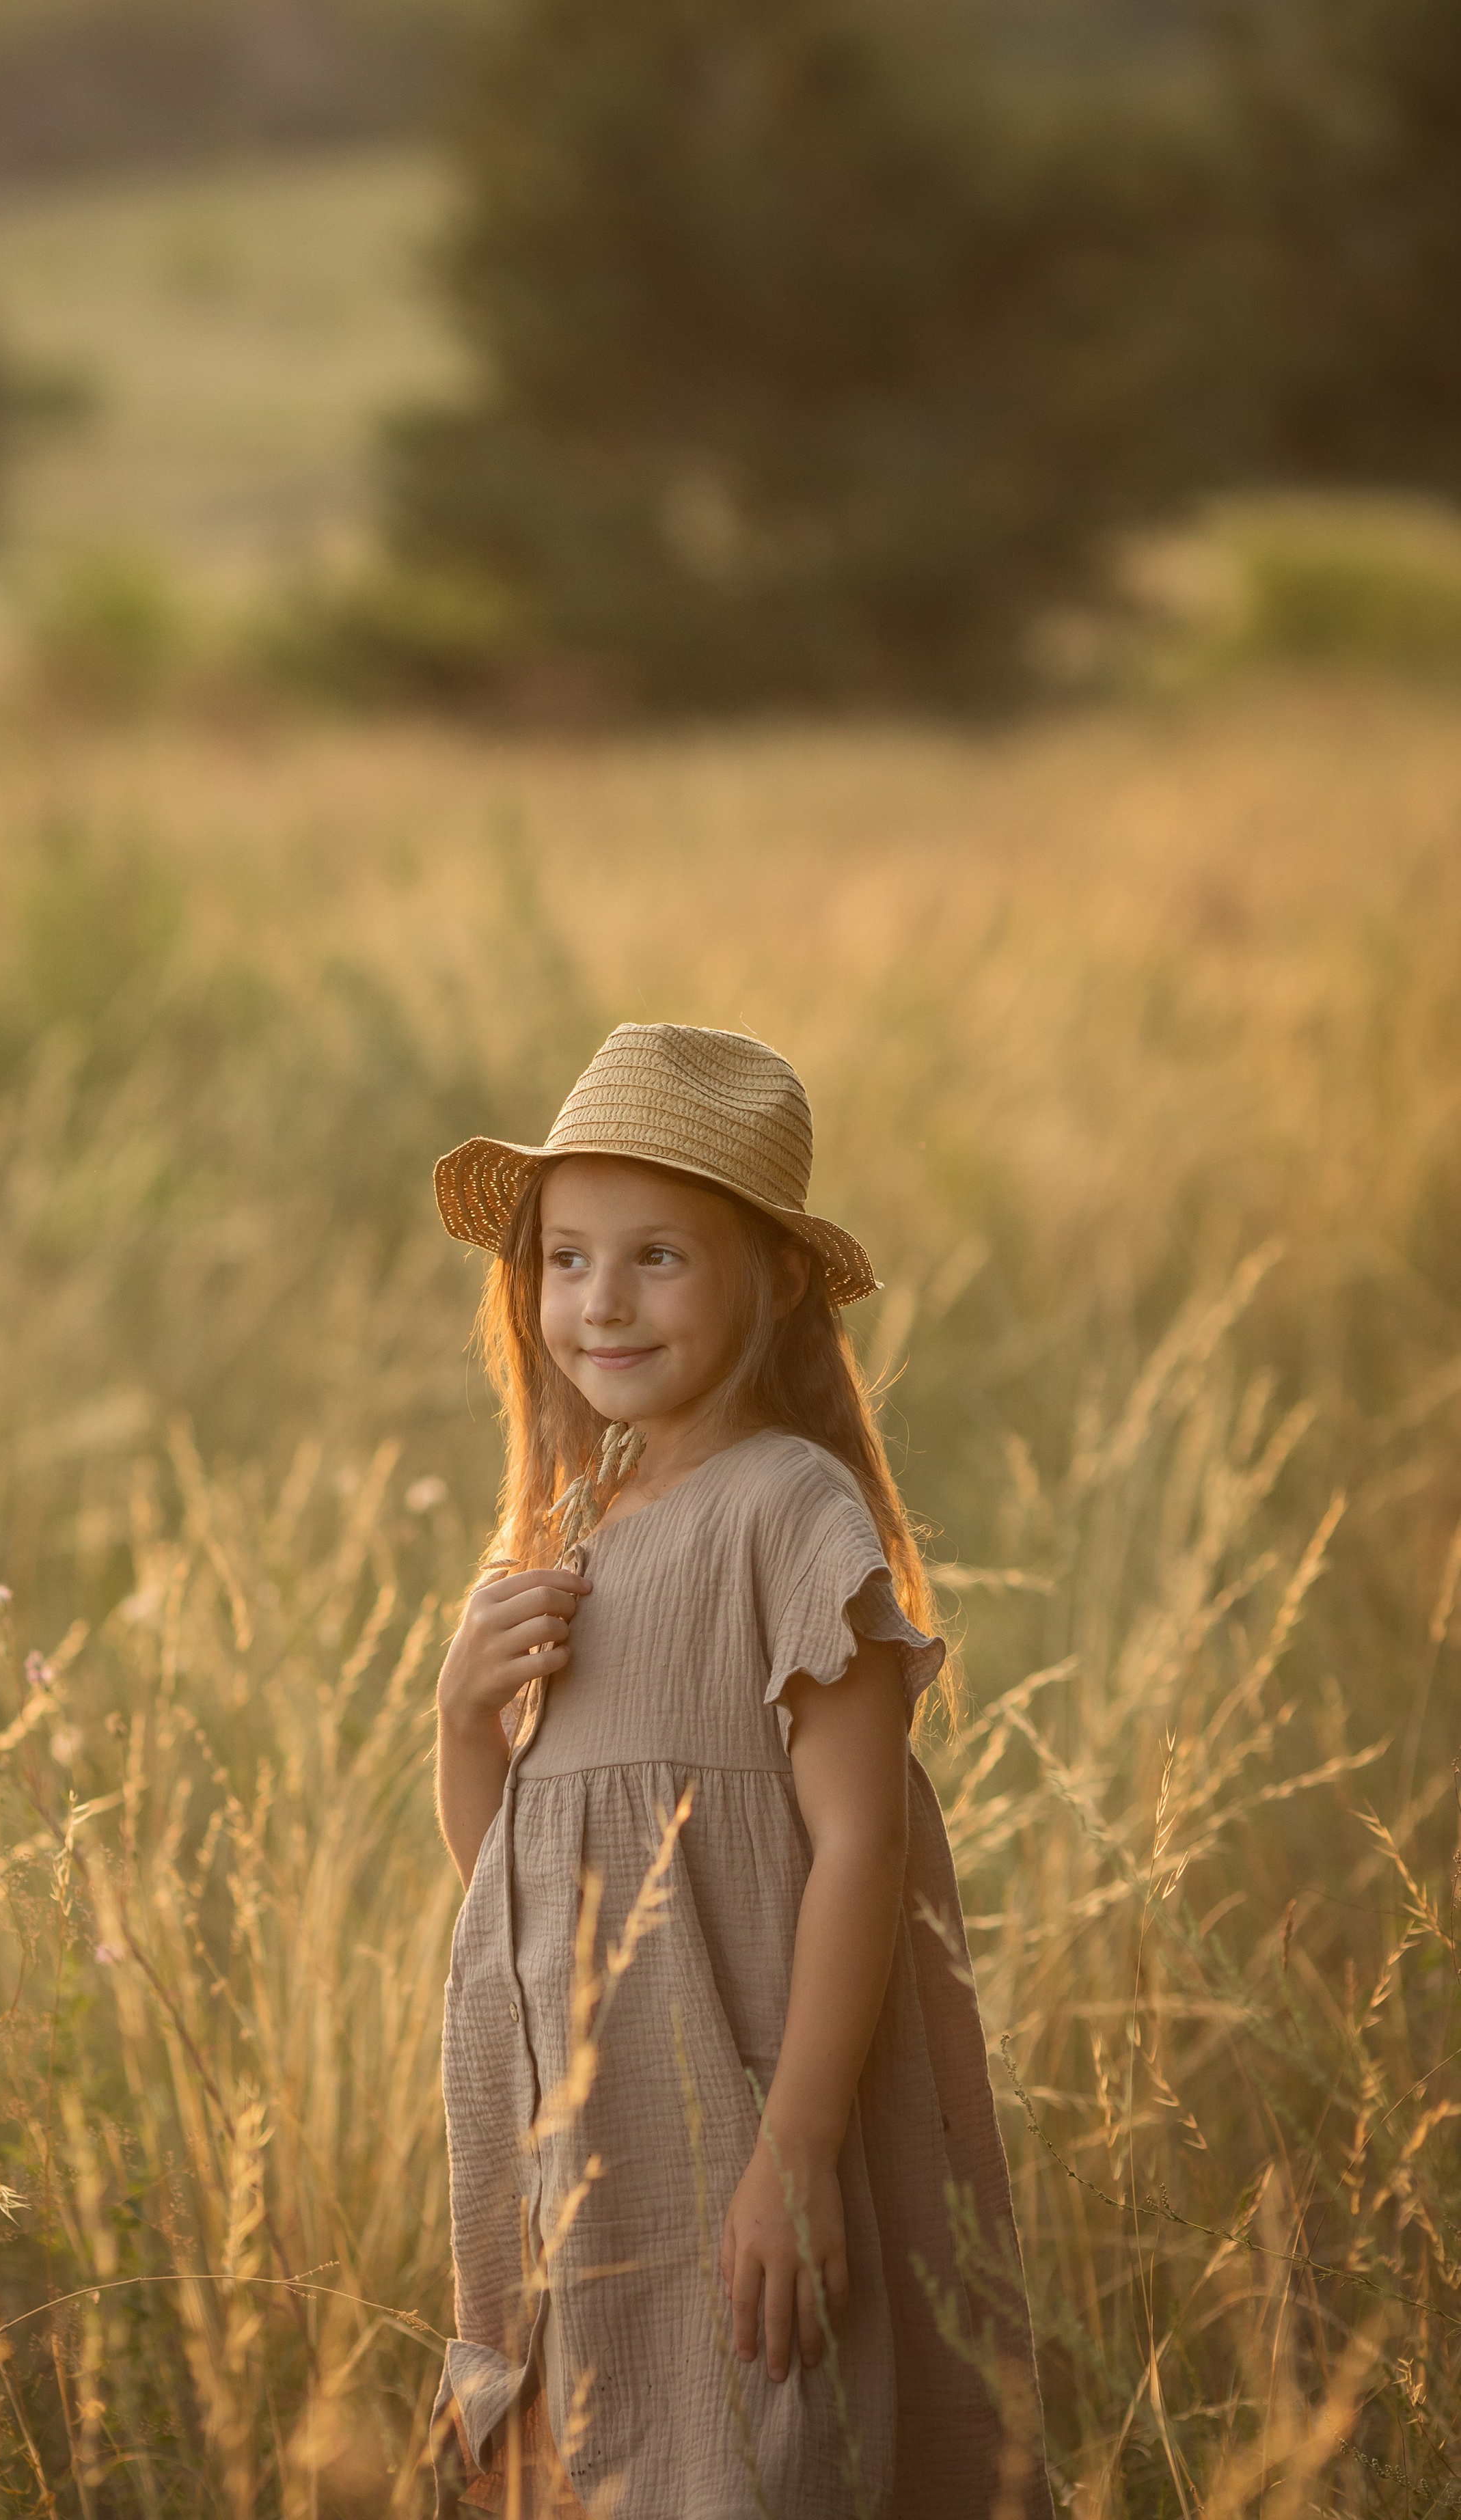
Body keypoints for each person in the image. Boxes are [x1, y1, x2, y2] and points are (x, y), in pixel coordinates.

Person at [427, 1023, 1048, 2520]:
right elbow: (514, 1890)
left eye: (657, 1257)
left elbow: (861, 1843)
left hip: (740, 2145)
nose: (600, 1302)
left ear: (770, 1280)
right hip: (595, 2148)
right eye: (567, 1259)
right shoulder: (576, 1522)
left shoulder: (783, 1506)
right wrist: (460, 1720)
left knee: (767, 2460)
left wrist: (795, 2149)